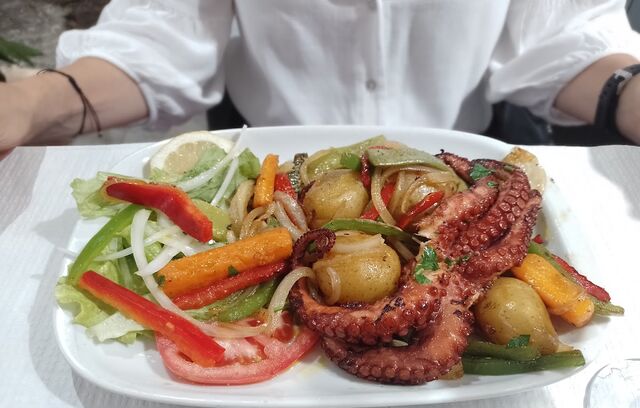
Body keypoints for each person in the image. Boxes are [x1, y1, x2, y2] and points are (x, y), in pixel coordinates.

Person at [1, 0, 640, 158]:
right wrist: (33, 102)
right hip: (264, 167)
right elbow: (162, 34)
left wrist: (631, 93)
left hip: (465, 157)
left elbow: (564, 35)